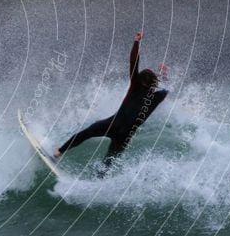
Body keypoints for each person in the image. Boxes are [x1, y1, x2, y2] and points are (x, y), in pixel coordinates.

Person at [53, 31, 168, 173]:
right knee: (110, 160)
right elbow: (167, 89)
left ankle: (59, 151)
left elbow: (133, 62)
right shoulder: (157, 97)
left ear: (140, 79)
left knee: (86, 133)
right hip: (126, 135)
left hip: (113, 124)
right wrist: (164, 74)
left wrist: (136, 42)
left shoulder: (136, 86)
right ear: (153, 84)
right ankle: (99, 181)